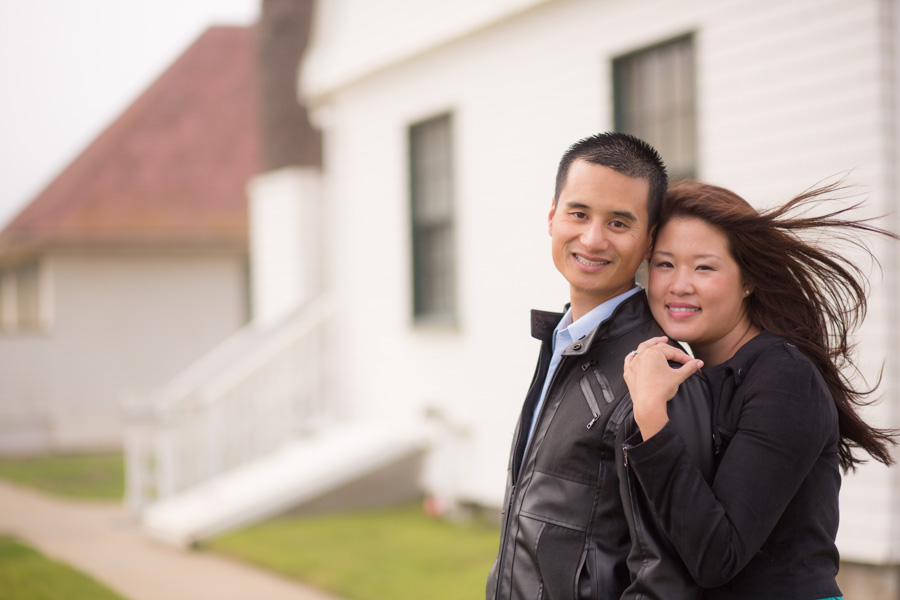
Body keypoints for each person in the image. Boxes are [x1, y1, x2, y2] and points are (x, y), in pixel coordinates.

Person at [622, 179, 898, 599]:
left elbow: (718, 556)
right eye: (664, 264)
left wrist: (651, 419)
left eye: (704, 267)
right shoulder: (687, 376)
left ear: (748, 280)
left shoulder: (784, 380)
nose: (679, 284)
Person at [486, 132, 714, 600]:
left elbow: (666, 578)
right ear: (551, 217)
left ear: (650, 241)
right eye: (578, 214)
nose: (592, 238)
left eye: (618, 223)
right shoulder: (563, 344)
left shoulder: (659, 373)